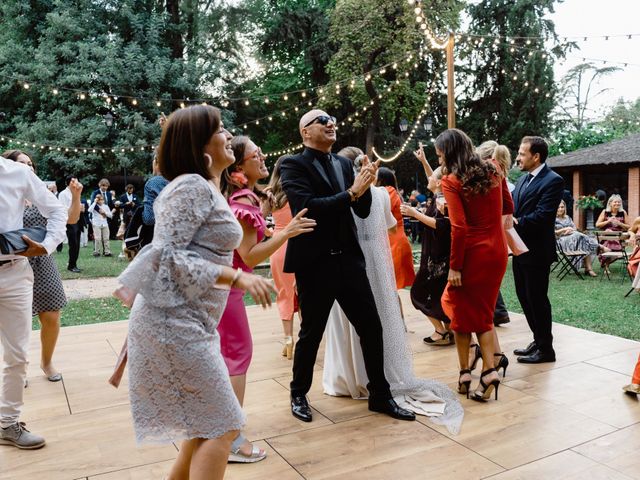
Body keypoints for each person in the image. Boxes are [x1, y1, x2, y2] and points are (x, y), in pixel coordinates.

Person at [114, 105, 275, 479]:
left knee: (206, 424)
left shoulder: (207, 186)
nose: (229, 135)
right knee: (224, 425)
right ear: (199, 143)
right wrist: (236, 277)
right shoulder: (190, 186)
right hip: (172, 324)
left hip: (190, 322)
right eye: (220, 129)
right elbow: (167, 258)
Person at [280, 109, 415, 423]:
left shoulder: (343, 163)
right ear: (304, 132)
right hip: (315, 263)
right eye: (321, 121)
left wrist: (365, 187)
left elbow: (363, 211)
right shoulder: (292, 164)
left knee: (371, 326)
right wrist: (352, 192)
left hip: (350, 260)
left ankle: (380, 395)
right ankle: (298, 393)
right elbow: (307, 207)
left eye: (332, 120)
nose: (330, 123)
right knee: (311, 333)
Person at [322, 147, 463, 433]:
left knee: (351, 322)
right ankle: (377, 376)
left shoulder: (339, 199)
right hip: (375, 262)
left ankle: (347, 377)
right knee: (378, 318)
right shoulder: (382, 195)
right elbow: (389, 227)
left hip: (346, 260)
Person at [217, 136, 315, 463]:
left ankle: (220, 429)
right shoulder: (243, 202)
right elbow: (246, 256)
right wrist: (286, 233)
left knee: (227, 358)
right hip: (228, 289)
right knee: (237, 356)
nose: (262, 159)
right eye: (255, 155)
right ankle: (231, 439)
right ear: (238, 169)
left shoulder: (243, 197)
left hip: (220, 286)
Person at [437, 129, 514, 403]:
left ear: (450, 152)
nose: (439, 158)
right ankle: (477, 372)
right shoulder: (494, 169)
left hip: (472, 255)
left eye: (440, 153)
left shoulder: (451, 180)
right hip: (497, 253)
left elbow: (459, 227)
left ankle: (478, 372)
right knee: (477, 312)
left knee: (460, 311)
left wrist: (455, 266)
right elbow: (509, 204)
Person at [0, 155, 67, 449]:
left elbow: (56, 210)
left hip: (13, 273)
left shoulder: (17, 173)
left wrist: (48, 244)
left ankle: (7, 424)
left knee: (17, 354)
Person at [3, 150, 83, 383]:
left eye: (31, 164)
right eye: (23, 164)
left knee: (52, 316)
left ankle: (46, 362)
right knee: (16, 323)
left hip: (43, 262)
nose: (29, 168)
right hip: (14, 264)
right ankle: (18, 368)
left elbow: (71, 219)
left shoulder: (42, 194)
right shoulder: (6, 194)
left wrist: (76, 196)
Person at [512, 136, 564, 364]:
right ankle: (538, 340)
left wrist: (515, 222)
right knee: (524, 297)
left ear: (536, 156)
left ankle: (546, 350)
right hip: (519, 249)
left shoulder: (554, 180)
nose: (518, 157)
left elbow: (543, 216)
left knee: (537, 300)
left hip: (537, 251)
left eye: (522, 153)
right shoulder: (523, 180)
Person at [402, 165, 453, 346]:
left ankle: (442, 331)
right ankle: (447, 331)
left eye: (432, 178)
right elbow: (433, 176)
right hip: (433, 254)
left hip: (439, 258)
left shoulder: (443, 200)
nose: (428, 179)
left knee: (419, 293)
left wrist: (415, 213)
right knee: (436, 295)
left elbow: (441, 225)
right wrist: (423, 161)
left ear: (439, 182)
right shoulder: (436, 197)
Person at [264, 155, 300, 360]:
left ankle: (288, 339)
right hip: (299, 240)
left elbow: (257, 221)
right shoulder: (299, 188)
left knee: (284, 294)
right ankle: (305, 337)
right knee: (303, 293)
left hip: (279, 244)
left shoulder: (270, 193)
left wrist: (270, 233)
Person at [376, 167, 416, 289]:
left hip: (394, 242)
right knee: (391, 289)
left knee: (391, 288)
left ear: (381, 179)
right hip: (393, 240)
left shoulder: (389, 191)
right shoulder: (390, 191)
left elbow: (381, 211)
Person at [556, 200, 605, 276]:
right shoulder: (552, 219)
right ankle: (598, 246)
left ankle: (588, 268)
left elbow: (574, 228)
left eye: (562, 207)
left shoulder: (568, 217)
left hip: (574, 238)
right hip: (561, 241)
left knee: (583, 242)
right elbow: (553, 232)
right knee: (580, 237)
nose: (560, 209)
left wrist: (569, 230)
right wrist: (564, 229)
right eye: (558, 207)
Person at [58, 175, 83, 272]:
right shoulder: (63, 194)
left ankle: (74, 264)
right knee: (73, 244)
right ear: (68, 183)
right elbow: (63, 208)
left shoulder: (77, 192)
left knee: (77, 243)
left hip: (78, 219)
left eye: (76, 181)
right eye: (73, 181)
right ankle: (71, 265)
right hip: (69, 221)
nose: (76, 183)